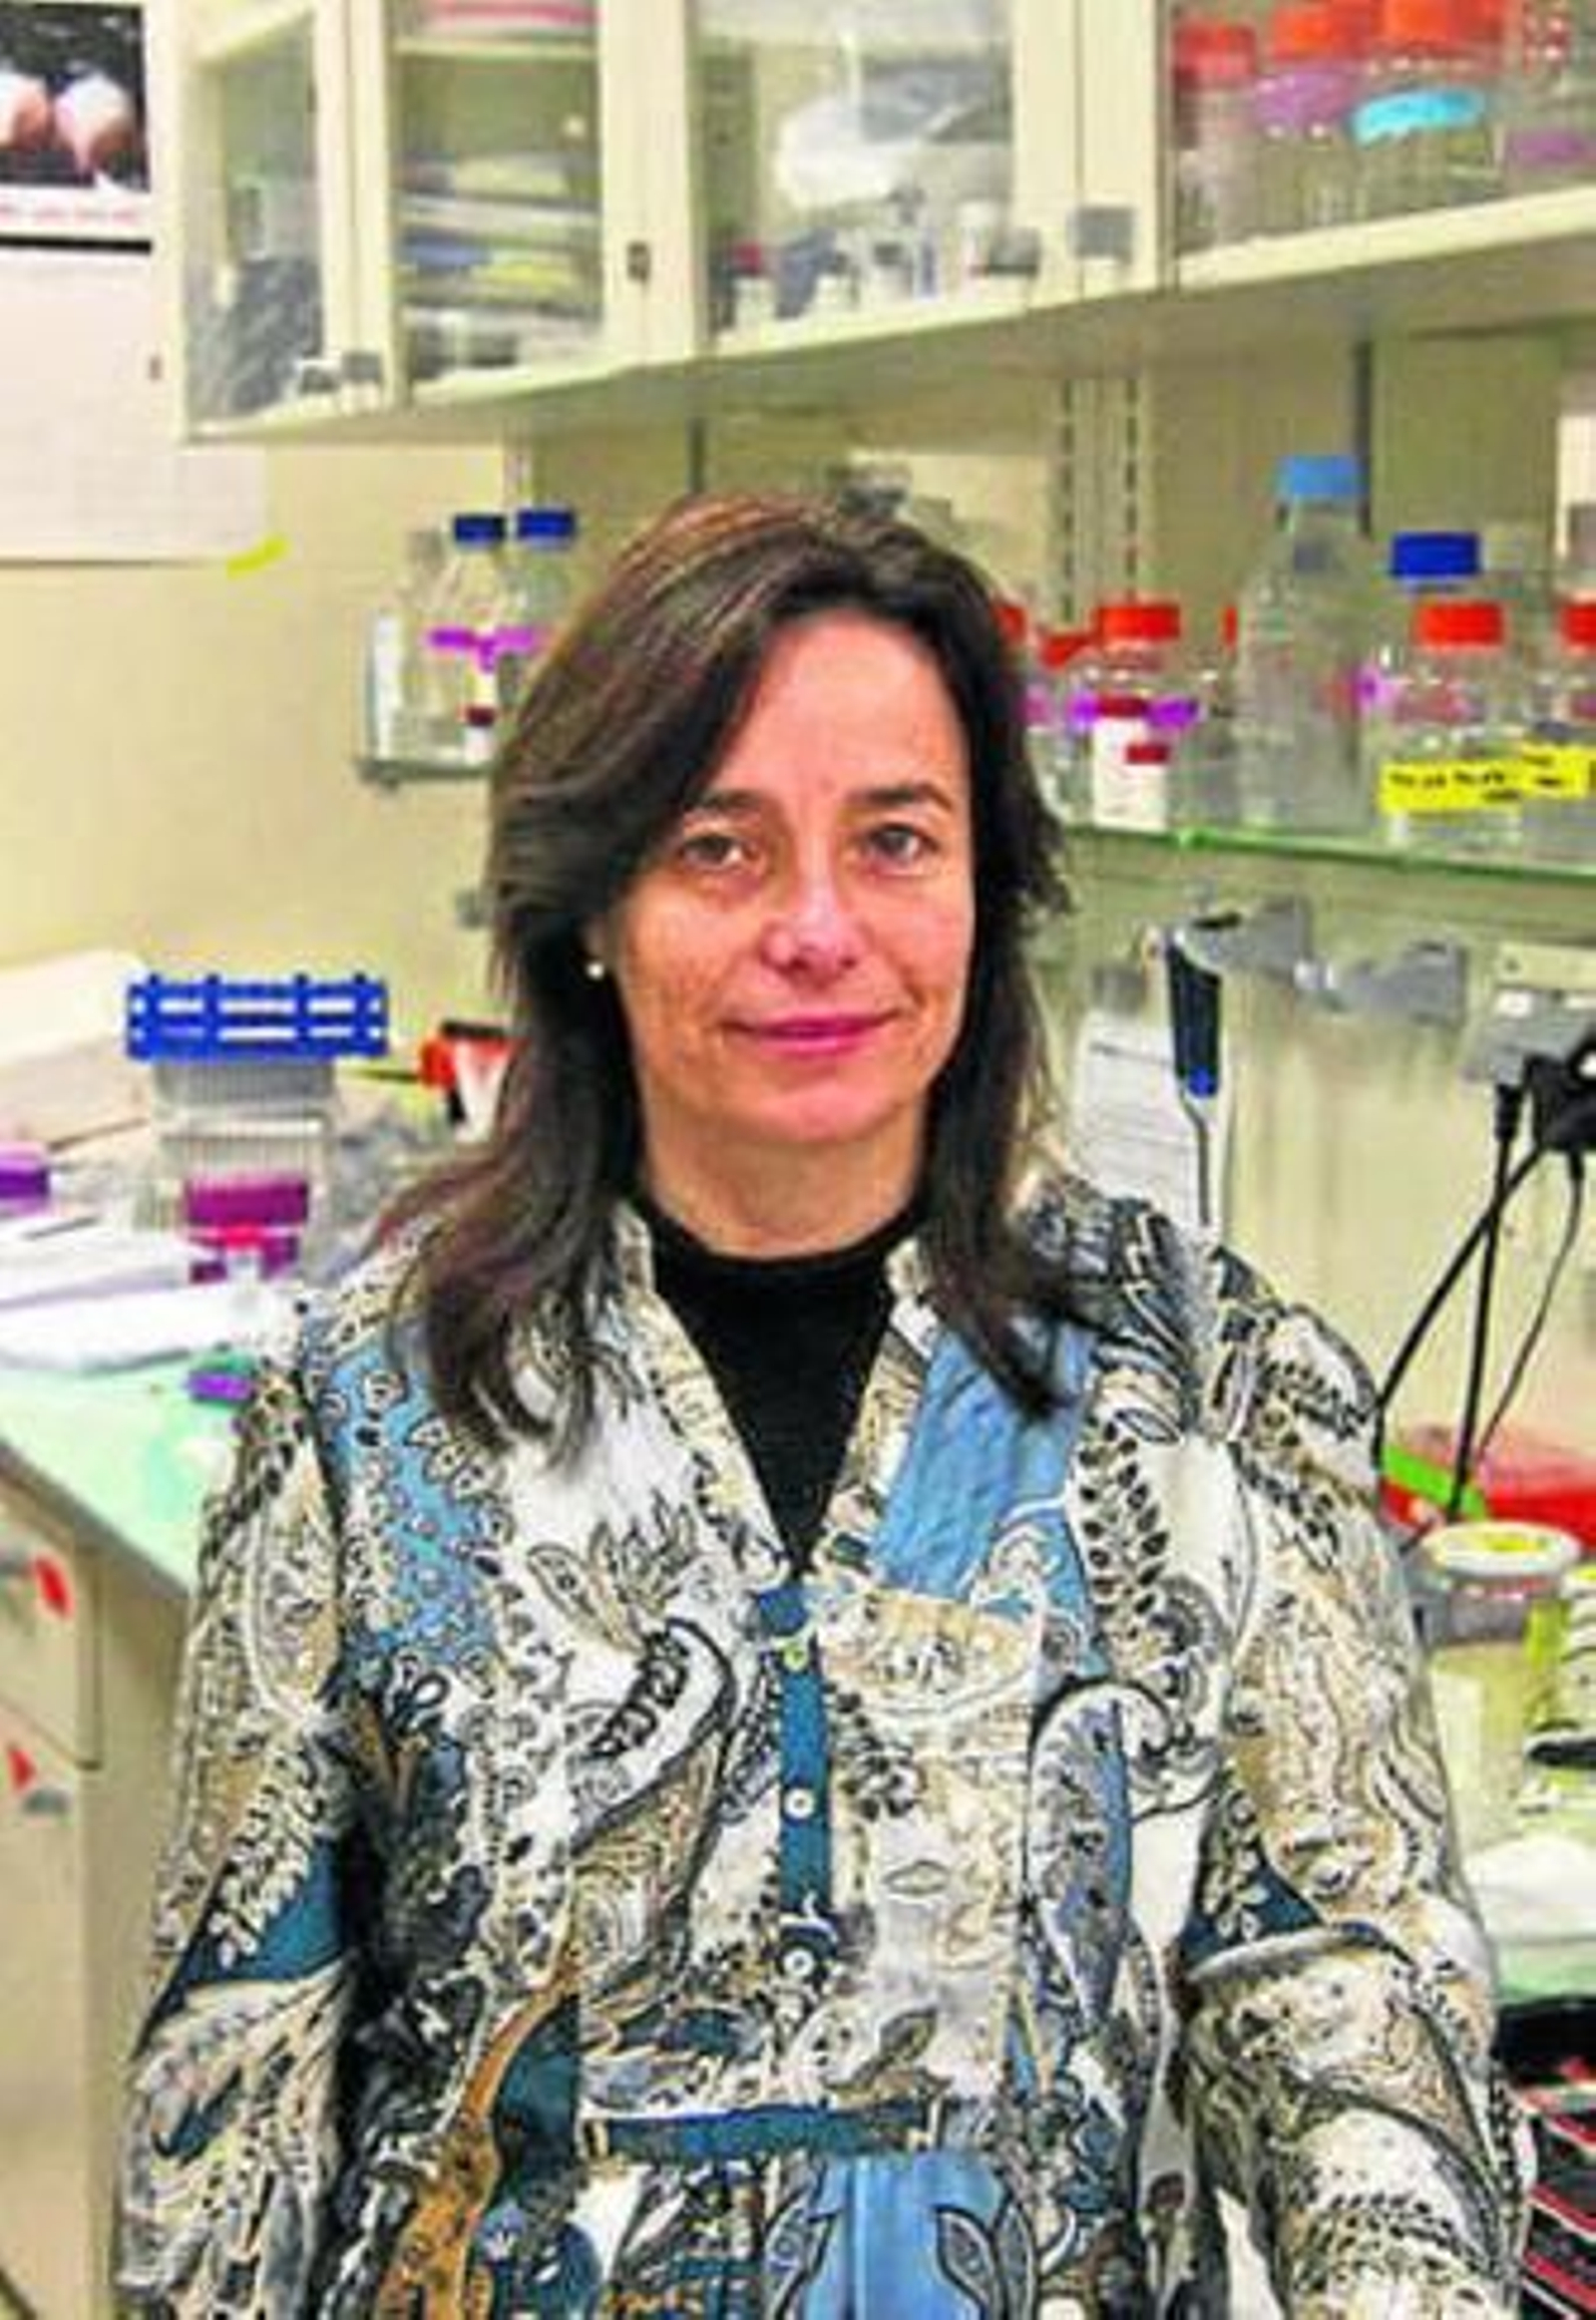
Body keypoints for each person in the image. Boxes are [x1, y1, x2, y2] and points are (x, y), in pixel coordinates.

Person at [117, 492, 1530, 2315]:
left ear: (985, 890)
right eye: (719, 848)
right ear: (593, 909)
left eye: (896, 840)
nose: (817, 927)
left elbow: (1355, 2016)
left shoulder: (1209, 1390)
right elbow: (222, 2126)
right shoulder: (367, 1418)